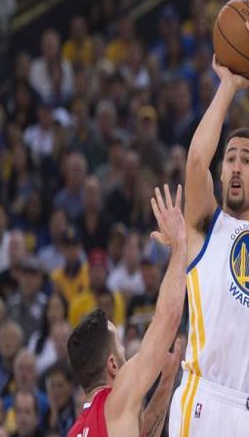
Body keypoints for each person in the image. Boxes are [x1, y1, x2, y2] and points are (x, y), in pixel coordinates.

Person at [169, 4, 249, 437]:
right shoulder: (205, 225)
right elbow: (195, 161)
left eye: (246, 159)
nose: (237, 166)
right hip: (203, 399)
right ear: (222, 173)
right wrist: (228, 85)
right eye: (230, 159)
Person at [68, 184, 186, 437]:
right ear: (112, 364)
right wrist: (179, 247)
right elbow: (169, 318)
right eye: (120, 346)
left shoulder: (78, 429)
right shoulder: (113, 404)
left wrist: (166, 381)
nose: (126, 352)